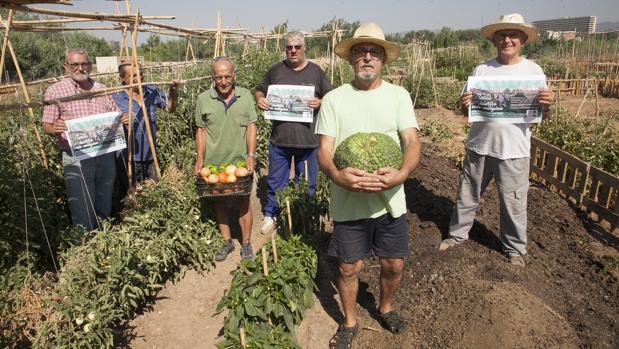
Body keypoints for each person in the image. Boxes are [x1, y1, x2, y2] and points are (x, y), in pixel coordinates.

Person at [315, 23, 422, 348]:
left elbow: (412, 142)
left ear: (382, 60)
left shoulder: (398, 96)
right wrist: (337, 175)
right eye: (360, 51)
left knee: (394, 264)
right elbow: (324, 152)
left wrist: (402, 173)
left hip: (391, 202)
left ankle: (385, 307)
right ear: (350, 59)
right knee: (349, 268)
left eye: (374, 52)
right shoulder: (334, 99)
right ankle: (349, 322)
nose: (367, 57)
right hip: (348, 203)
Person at [438, 13, 554, 267]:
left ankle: (514, 249)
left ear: (523, 40)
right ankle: (457, 236)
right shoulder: (482, 69)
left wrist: (547, 105)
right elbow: (465, 109)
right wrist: (464, 103)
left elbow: (543, 112)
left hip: (515, 150)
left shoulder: (533, 71)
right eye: (502, 35)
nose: (507, 40)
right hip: (479, 146)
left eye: (513, 35)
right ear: (494, 40)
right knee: (467, 196)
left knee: (514, 202)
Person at [255, 31, 333, 234]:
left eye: (297, 47)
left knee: (306, 185)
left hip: (308, 142)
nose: (293, 51)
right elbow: (260, 88)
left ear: (304, 48)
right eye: (289, 47)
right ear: (285, 49)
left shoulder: (315, 72)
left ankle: (304, 219)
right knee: (274, 182)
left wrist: (320, 102)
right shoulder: (275, 71)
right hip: (279, 141)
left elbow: (332, 97)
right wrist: (260, 98)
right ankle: (271, 215)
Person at [42, 48, 128, 231]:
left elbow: (115, 113)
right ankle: (85, 242)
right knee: (80, 200)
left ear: (90, 65)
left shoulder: (102, 89)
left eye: (84, 64)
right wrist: (54, 128)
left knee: (104, 193)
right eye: (75, 64)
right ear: (67, 67)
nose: (80, 68)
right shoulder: (56, 91)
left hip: (104, 152)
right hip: (76, 155)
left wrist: (122, 118)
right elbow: (46, 125)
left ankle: (103, 235)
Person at [194, 57, 257, 262]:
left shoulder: (245, 96)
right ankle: (227, 240)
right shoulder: (203, 99)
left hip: (238, 161)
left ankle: (246, 243)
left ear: (234, 76)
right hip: (214, 163)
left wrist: (251, 155)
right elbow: (201, 131)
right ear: (213, 78)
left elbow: (251, 127)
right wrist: (200, 159)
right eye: (218, 77)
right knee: (219, 202)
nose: (223, 81)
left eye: (227, 76)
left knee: (243, 200)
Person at [111, 61, 178, 193]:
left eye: (140, 74)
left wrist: (173, 91)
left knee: (154, 193)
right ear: (122, 78)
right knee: (131, 194)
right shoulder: (115, 97)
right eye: (133, 76)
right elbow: (106, 126)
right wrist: (118, 121)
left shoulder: (151, 91)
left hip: (150, 154)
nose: (138, 78)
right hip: (128, 157)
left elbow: (170, 108)